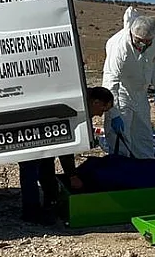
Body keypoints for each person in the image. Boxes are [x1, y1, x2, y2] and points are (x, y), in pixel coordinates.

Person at [19, 86, 117, 224]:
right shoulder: (76, 108)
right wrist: (72, 176)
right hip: (33, 131)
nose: (100, 115)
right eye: (102, 110)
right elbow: (65, 149)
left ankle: (49, 204)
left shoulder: (78, 99)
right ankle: (31, 212)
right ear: (95, 102)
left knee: (46, 165)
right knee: (30, 169)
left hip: (44, 133)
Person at [101, 7, 155, 159]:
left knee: (143, 133)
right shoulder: (119, 48)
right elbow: (111, 83)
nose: (143, 45)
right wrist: (114, 112)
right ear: (133, 34)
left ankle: (145, 165)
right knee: (120, 136)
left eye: (147, 42)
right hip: (122, 93)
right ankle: (122, 167)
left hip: (140, 93)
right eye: (140, 42)